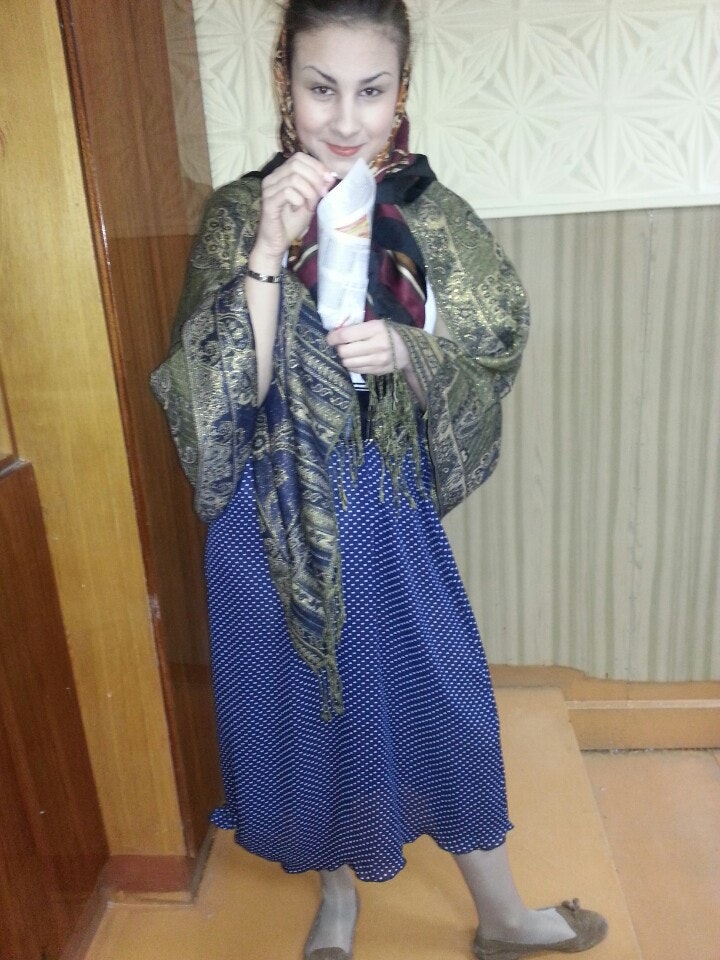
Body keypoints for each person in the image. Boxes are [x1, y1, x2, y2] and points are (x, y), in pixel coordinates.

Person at [151, 1, 608, 958]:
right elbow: (215, 401)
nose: (346, 118)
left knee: (444, 703)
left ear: (402, 90)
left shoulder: (431, 212)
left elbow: (494, 341)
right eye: (322, 89)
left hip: (382, 510)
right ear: (285, 86)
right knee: (306, 717)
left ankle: (500, 914)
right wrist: (268, 253)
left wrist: (411, 352)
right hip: (267, 523)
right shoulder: (239, 213)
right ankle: (338, 897)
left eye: (372, 90)